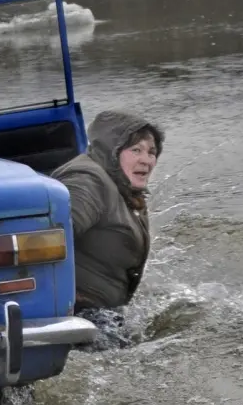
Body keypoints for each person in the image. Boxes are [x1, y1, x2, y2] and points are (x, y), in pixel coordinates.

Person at [50, 110, 164, 349]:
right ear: (112, 151)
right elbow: (54, 236)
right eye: (136, 150)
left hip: (103, 314)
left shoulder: (122, 186)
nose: (146, 160)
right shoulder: (87, 180)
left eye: (151, 152)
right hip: (82, 319)